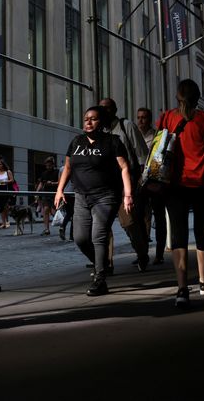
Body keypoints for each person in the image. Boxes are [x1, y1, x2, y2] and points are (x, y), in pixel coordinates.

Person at [157, 79, 204, 308]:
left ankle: (182, 289)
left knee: (179, 236)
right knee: (202, 233)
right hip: (203, 184)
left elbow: (158, 146)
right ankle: (202, 281)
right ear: (198, 97)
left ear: (177, 97)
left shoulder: (167, 117)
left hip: (175, 185)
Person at [54, 106, 134, 296]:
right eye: (86, 119)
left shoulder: (112, 141)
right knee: (80, 238)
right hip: (81, 196)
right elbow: (67, 167)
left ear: (102, 122)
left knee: (99, 235)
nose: (88, 122)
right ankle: (103, 263)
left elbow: (124, 167)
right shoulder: (76, 142)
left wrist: (127, 194)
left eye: (93, 119)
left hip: (106, 196)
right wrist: (59, 190)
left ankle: (100, 279)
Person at [99, 98, 150, 271]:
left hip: (127, 182)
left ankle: (142, 253)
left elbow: (142, 154)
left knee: (129, 223)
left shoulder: (125, 126)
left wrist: (141, 181)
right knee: (103, 225)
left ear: (114, 109)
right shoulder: (99, 131)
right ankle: (106, 263)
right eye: (101, 108)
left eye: (107, 108)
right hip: (106, 185)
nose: (103, 111)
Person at [137, 106, 167, 263]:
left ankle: (159, 254)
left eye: (144, 117)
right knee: (139, 217)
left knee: (159, 217)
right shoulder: (134, 136)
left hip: (155, 181)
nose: (141, 120)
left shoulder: (156, 136)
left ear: (149, 119)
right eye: (139, 117)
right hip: (140, 182)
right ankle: (142, 253)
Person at [35, 156, 59, 236]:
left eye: (49, 165)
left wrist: (52, 183)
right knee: (45, 210)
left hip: (55, 194)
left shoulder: (57, 172)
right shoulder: (44, 173)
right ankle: (46, 229)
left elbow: (60, 182)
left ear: (53, 165)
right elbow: (41, 183)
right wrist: (37, 192)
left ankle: (62, 225)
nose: (48, 167)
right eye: (47, 165)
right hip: (46, 194)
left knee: (53, 211)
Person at [57, 163, 74, 241]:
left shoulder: (61, 169)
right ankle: (72, 236)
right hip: (74, 193)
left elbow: (59, 181)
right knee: (75, 215)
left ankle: (62, 226)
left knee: (69, 213)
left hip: (65, 193)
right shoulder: (75, 167)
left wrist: (60, 193)